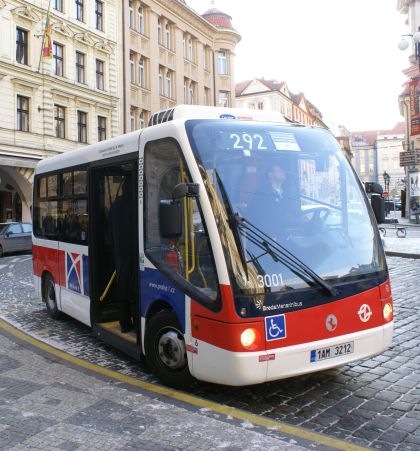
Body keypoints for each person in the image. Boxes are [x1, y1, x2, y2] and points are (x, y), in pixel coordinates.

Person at [109, 177, 135, 333]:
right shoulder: (136, 204)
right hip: (133, 251)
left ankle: (125, 324)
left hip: (120, 252)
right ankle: (137, 325)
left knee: (123, 290)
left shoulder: (115, 205)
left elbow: (108, 226)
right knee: (135, 292)